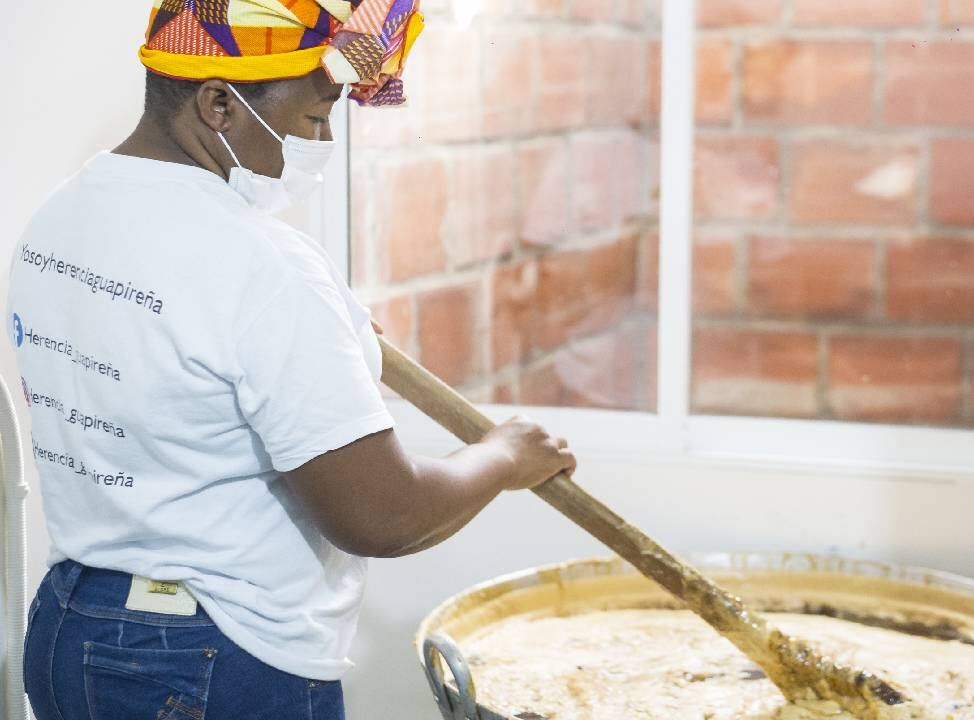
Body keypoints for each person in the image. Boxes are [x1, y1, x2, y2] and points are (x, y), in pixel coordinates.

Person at [6, 2, 576, 718]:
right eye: (314, 117)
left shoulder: (61, 217)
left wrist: (327, 337)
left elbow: (170, 363)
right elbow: (385, 515)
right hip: (209, 663)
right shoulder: (261, 263)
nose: (323, 139)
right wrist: (503, 456)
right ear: (219, 102)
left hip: (71, 631)